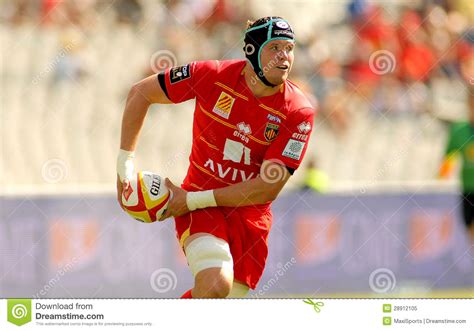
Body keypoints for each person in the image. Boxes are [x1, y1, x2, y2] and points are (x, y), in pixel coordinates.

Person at [116, 16, 315, 298]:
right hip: (199, 207)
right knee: (214, 285)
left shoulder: (298, 112)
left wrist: (188, 201)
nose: (285, 56)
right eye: (275, 48)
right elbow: (140, 93)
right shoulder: (211, 75)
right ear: (252, 52)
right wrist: (124, 166)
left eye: (289, 48)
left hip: (249, 218)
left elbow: (267, 187)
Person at [440, 92, 474, 244]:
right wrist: (442, 176)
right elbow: (449, 155)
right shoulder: (459, 130)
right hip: (468, 188)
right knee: (469, 226)